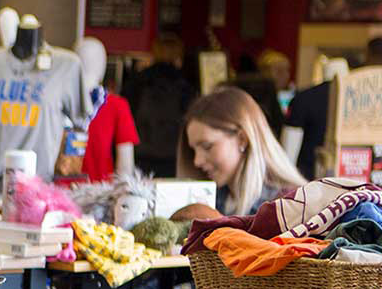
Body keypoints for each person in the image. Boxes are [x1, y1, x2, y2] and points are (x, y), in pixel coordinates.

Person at [177, 86, 306, 217]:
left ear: (242, 139)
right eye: (193, 150)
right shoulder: (213, 200)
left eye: (207, 146)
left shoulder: (289, 206)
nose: (197, 161)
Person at [124, 35, 197, 178]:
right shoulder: (185, 85)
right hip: (172, 156)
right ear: (178, 56)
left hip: (141, 153)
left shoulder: (137, 81)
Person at [226, 53, 286, 134]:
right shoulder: (265, 90)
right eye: (279, 71)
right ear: (265, 71)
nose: (285, 75)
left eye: (287, 70)